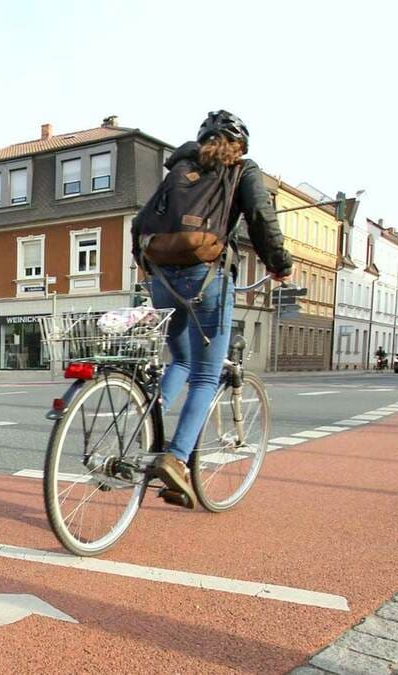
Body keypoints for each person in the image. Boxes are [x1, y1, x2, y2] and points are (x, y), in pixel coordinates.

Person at [143, 111, 294, 509]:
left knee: (181, 359)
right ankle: (175, 460)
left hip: (160, 277)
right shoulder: (242, 169)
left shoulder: (178, 167)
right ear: (239, 145)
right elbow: (262, 219)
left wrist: (149, 269)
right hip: (206, 277)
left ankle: (147, 421)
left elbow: (144, 220)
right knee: (208, 374)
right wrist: (279, 265)